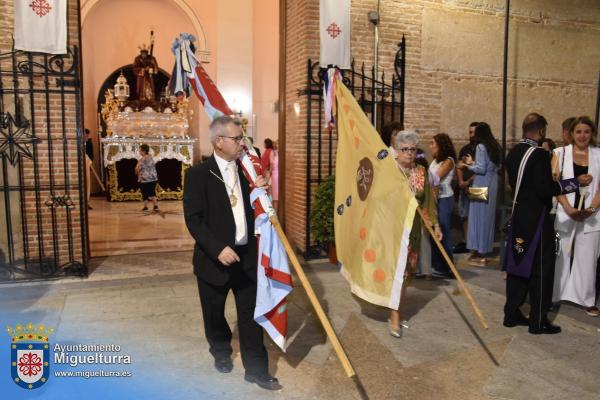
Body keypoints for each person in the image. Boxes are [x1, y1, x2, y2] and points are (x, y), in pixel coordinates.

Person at [183, 116, 280, 390]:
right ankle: (221, 351)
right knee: (214, 313)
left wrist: (260, 195)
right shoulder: (198, 175)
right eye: (237, 139)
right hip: (213, 260)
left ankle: (257, 369)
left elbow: (252, 209)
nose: (242, 144)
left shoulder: (248, 170)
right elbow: (194, 219)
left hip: (247, 257)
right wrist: (217, 249)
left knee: (251, 316)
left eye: (242, 138)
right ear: (219, 141)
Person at [504, 113, 583, 334]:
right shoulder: (538, 155)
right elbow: (545, 190)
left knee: (518, 265)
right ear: (541, 132)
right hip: (536, 221)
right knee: (541, 268)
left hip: (519, 217)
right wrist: (574, 183)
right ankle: (538, 321)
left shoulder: (514, 153)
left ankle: (510, 314)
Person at [388, 129, 442, 337]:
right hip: (392, 230)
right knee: (396, 274)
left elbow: (428, 201)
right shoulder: (390, 172)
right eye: (405, 149)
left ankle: (395, 310)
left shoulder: (420, 171)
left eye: (413, 149)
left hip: (413, 232)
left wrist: (435, 225)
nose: (409, 153)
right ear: (397, 151)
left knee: (405, 274)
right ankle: (394, 315)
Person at [553, 116, 600, 317]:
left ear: (592, 134)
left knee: (588, 257)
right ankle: (555, 295)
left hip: (592, 214)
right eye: (578, 131)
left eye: (586, 132)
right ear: (571, 133)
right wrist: (569, 208)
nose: (582, 136)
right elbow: (553, 184)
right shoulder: (559, 153)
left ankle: (586, 298)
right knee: (560, 255)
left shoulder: (599, 155)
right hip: (566, 211)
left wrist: (591, 209)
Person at [457, 122, 501, 266]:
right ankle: (484, 249)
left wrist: (467, 165)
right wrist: (473, 162)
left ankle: (478, 251)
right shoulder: (495, 147)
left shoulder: (481, 147)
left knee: (476, 217)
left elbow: (480, 169)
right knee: (487, 218)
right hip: (492, 184)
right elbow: (493, 166)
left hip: (480, 184)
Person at [429, 133, 457, 277]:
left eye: (433, 143)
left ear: (441, 145)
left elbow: (436, 178)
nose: (430, 146)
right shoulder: (435, 161)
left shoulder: (449, 160)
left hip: (444, 199)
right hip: (434, 198)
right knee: (434, 232)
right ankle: (438, 266)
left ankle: (449, 268)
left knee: (443, 233)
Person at [455, 122, 478, 253]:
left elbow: (481, 169)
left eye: (474, 132)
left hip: (476, 187)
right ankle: (466, 241)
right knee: (464, 214)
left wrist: (469, 180)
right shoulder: (465, 149)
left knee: (475, 214)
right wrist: (461, 181)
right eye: (470, 132)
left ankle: (475, 244)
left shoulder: (481, 149)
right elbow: (459, 165)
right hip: (464, 188)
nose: (471, 135)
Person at [135, 144, 159, 212]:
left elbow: (137, 168)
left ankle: (145, 207)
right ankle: (155, 206)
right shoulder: (151, 157)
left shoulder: (142, 159)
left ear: (144, 151)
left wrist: (136, 171)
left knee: (144, 193)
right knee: (152, 192)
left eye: (140, 150)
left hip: (144, 179)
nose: (139, 152)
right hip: (153, 178)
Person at [270, 140, 280, 211]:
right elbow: (271, 165)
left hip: (281, 176)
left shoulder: (283, 152)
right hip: (275, 175)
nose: (278, 145)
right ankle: (275, 212)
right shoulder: (272, 152)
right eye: (277, 144)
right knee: (275, 196)